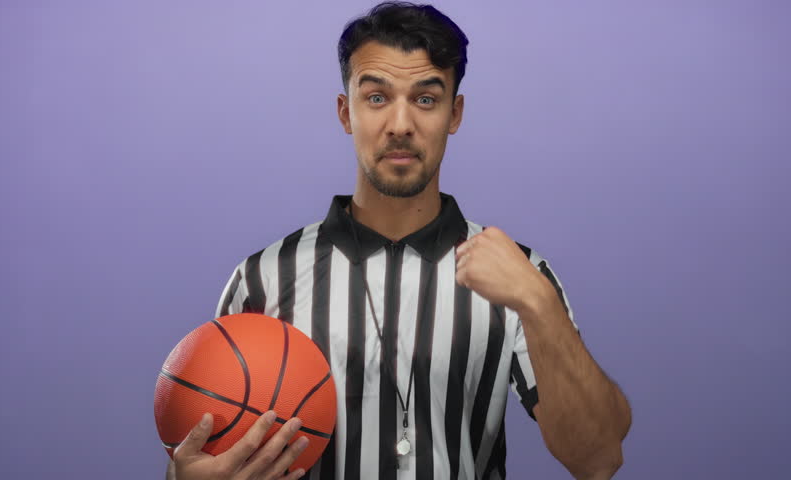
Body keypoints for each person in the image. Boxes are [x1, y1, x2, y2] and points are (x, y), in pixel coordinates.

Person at [166, 2, 631, 479]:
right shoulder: (263, 278)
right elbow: (203, 450)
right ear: (346, 112)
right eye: (377, 98)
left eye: (426, 99)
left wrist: (538, 302)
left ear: (456, 112)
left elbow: (597, 459)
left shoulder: (517, 276)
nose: (401, 124)